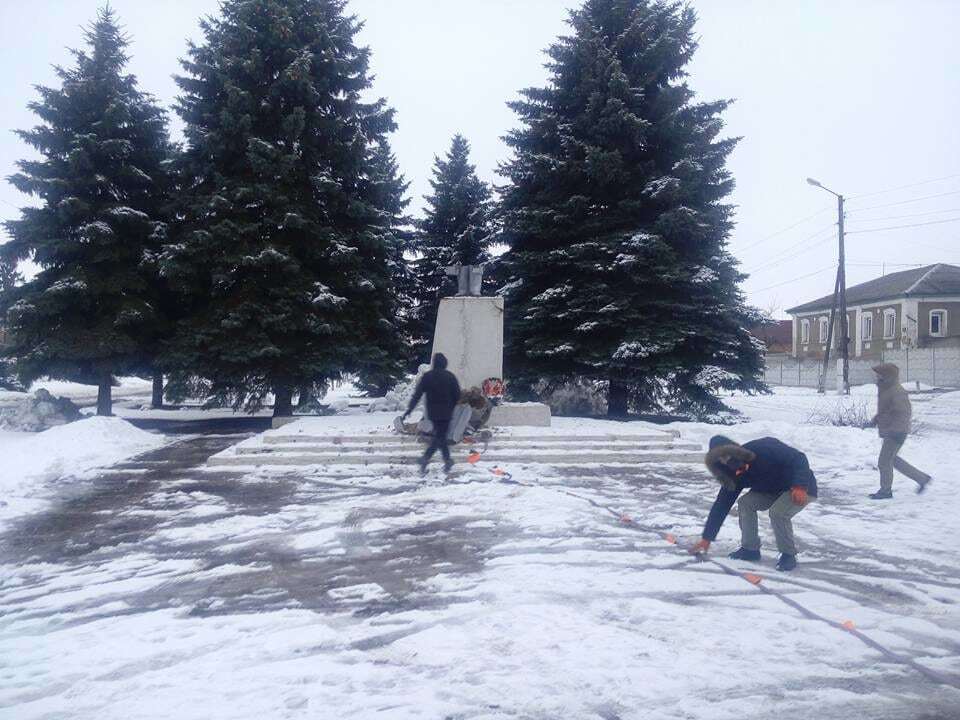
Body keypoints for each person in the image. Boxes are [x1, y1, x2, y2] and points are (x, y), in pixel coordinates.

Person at [688, 435, 818, 572]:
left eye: (726, 456)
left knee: (778, 512)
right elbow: (721, 505)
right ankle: (750, 549)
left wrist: (800, 486)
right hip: (771, 489)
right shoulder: (732, 475)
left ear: (735, 451)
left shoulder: (763, 448)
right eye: (721, 460)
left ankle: (788, 554)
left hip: (800, 487)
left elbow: (799, 458)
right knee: (746, 503)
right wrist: (707, 538)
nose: (726, 462)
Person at [867, 363, 931, 499]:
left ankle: (885, 491)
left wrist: (895, 430)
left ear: (887, 376)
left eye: (879, 374)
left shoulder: (896, 390)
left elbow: (904, 413)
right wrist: (875, 420)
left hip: (896, 432)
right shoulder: (886, 388)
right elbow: (886, 410)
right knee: (893, 460)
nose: (876, 376)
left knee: (884, 461)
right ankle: (922, 478)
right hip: (893, 430)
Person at [403, 353, 461, 474]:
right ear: (445, 363)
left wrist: (410, 409)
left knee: (440, 436)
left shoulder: (427, 376)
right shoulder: (450, 376)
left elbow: (417, 394)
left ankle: (443, 460)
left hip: (433, 412)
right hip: (446, 412)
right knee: (440, 436)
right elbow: (457, 395)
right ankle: (432, 459)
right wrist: (451, 405)